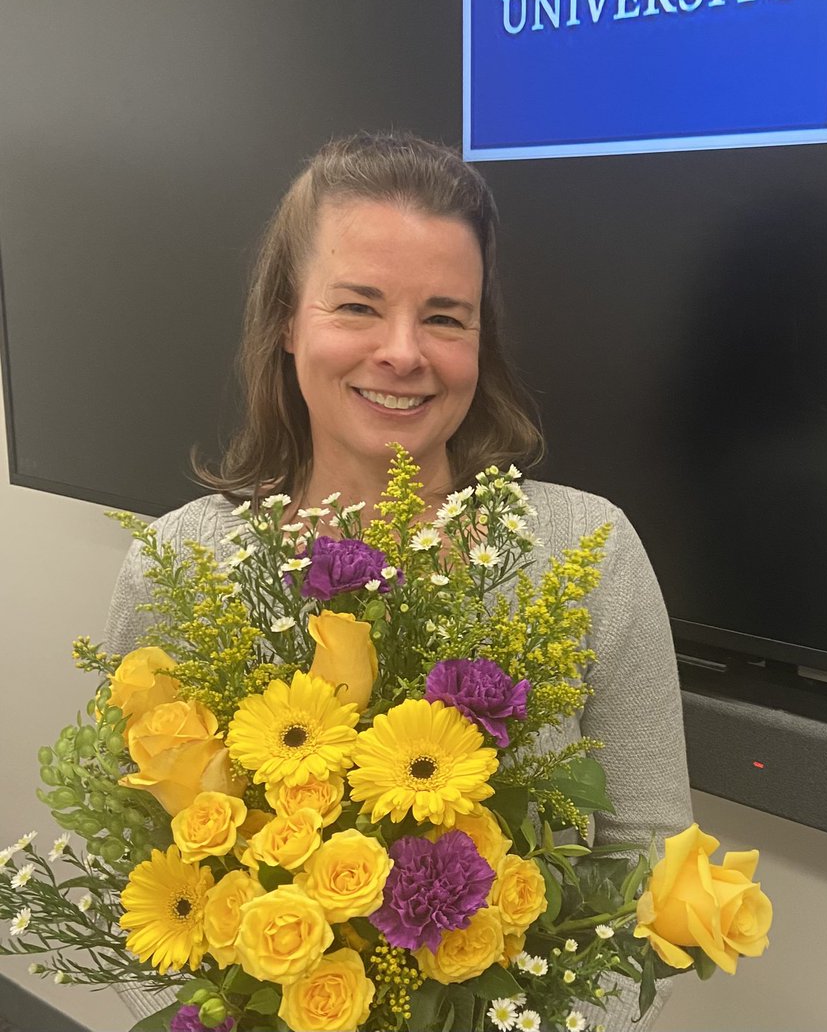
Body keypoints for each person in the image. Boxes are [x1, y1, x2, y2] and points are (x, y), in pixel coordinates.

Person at [105, 132, 692, 1029]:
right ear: (286, 324)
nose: (404, 352)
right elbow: (136, 885)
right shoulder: (178, 568)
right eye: (358, 306)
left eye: (447, 317)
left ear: (480, 343)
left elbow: (648, 865)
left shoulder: (591, 550)